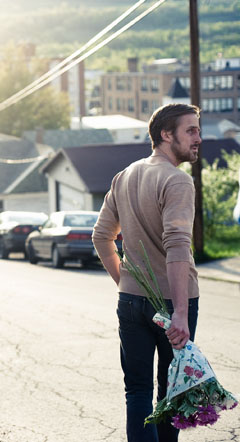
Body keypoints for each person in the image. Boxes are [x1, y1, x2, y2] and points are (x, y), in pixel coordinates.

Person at [92, 103, 202, 442]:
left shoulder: (125, 175)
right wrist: (180, 313)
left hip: (130, 302)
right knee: (170, 393)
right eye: (191, 131)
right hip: (172, 304)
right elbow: (178, 246)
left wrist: (125, 282)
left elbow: (101, 236)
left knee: (136, 391)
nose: (199, 138)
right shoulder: (178, 181)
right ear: (166, 135)